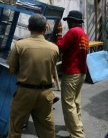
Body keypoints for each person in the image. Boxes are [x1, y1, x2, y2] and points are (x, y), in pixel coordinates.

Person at [7, 14, 59, 138]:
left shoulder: (20, 45)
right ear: (45, 28)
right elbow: (50, 69)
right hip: (45, 94)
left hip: (24, 92)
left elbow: (12, 69)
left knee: (15, 128)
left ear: (29, 28)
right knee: (47, 130)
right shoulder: (54, 48)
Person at [56, 10, 89, 138]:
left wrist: (59, 34)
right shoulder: (83, 34)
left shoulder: (73, 31)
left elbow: (60, 47)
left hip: (72, 72)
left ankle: (77, 135)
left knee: (68, 104)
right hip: (81, 72)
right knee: (75, 102)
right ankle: (77, 126)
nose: (67, 24)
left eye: (69, 21)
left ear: (73, 21)